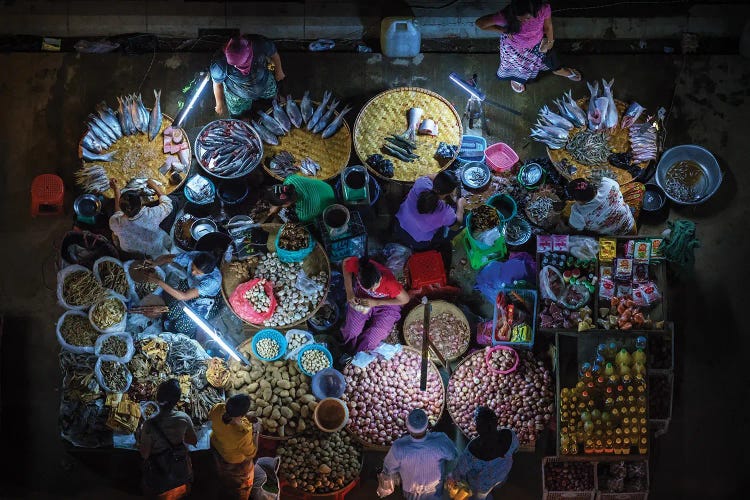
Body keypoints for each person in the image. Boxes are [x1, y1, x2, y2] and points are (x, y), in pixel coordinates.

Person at [475, 0, 581, 93]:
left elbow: (548, 26)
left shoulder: (543, 9)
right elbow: (480, 23)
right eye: (519, 19)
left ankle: (559, 71)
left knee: (550, 60)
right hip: (514, 49)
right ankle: (517, 79)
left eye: (527, 18)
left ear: (535, 10)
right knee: (517, 67)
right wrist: (504, 30)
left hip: (537, 44)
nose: (524, 21)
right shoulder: (506, 15)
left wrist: (550, 41)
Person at [138, 379, 198, 499]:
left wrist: (140, 436)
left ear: (157, 399)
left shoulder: (149, 424)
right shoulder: (184, 418)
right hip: (179, 471)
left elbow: (144, 454)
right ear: (177, 401)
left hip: (159, 472)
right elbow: (193, 440)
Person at [380, 408, 458, 500]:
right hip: (435, 490)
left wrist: (387, 485)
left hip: (410, 492)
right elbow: (453, 454)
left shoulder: (399, 446)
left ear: (407, 427)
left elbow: (388, 469)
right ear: (428, 425)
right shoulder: (440, 440)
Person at [341, 256, 410, 353]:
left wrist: (377, 302)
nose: (373, 291)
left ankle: (359, 355)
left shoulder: (389, 283)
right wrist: (349, 292)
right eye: (369, 288)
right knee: (351, 331)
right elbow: (346, 262)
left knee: (372, 339)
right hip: (362, 298)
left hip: (387, 305)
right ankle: (348, 350)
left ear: (380, 277)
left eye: (375, 286)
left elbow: (405, 299)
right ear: (359, 277)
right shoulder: (359, 267)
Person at [448, 407, 520, 499]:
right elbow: (515, 449)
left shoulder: (473, 450)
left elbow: (460, 470)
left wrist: (452, 476)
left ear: (478, 428)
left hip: (483, 484)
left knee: (481, 496)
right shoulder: (509, 435)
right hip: (502, 473)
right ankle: (496, 486)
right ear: (496, 422)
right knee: (498, 482)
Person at [211, 34, 286, 118]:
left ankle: (275, 100)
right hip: (237, 92)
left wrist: (279, 71)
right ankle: (241, 117)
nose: (241, 68)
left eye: (245, 63)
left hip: (264, 81)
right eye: (236, 65)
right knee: (237, 113)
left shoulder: (260, 43)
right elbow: (217, 84)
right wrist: (219, 103)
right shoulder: (219, 64)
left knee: (272, 94)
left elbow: (274, 55)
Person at [149, 251, 223, 334]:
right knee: (171, 313)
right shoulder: (192, 256)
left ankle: (177, 333)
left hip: (206, 298)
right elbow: (169, 258)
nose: (192, 273)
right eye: (192, 268)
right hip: (191, 286)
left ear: (207, 273)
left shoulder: (213, 281)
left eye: (198, 273)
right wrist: (155, 263)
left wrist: (159, 282)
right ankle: (167, 324)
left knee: (182, 325)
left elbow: (183, 296)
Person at [394, 171, 467, 251]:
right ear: (449, 193)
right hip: (417, 241)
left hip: (399, 225)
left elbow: (432, 176)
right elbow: (456, 226)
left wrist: (444, 177)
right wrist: (460, 205)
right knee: (464, 220)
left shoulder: (421, 183)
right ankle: (437, 244)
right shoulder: (445, 212)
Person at [209, 394, 261, 500]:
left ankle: (222, 481)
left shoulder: (217, 408)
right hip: (232, 459)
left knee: (221, 472)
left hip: (216, 446)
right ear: (243, 414)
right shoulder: (243, 432)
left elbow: (212, 416)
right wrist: (257, 431)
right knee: (244, 481)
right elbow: (251, 453)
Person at [109, 178, 173, 259]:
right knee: (174, 200)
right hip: (152, 248)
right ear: (141, 203)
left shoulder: (115, 221)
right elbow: (168, 205)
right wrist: (155, 186)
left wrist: (116, 189)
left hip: (129, 249)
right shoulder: (152, 215)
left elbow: (118, 212)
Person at [566, 177, 635, 235]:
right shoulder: (608, 185)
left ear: (579, 200)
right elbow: (602, 180)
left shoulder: (578, 212)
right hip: (630, 226)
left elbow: (575, 228)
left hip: (613, 238)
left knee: (566, 211)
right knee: (637, 187)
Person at [264, 175, 336, 223]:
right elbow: (285, 192)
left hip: (331, 202)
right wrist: (278, 204)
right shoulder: (291, 179)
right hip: (328, 187)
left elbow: (304, 220)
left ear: (287, 204)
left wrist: (279, 205)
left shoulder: (304, 214)